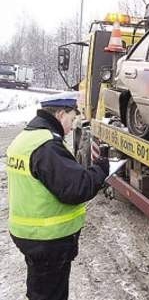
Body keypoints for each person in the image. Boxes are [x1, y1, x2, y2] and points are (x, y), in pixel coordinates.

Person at [6, 91, 109, 300]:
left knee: (40, 290)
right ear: (60, 114)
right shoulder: (47, 145)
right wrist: (101, 169)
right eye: (72, 119)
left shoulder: (26, 137)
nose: (72, 127)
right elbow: (76, 188)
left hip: (30, 234)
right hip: (47, 239)